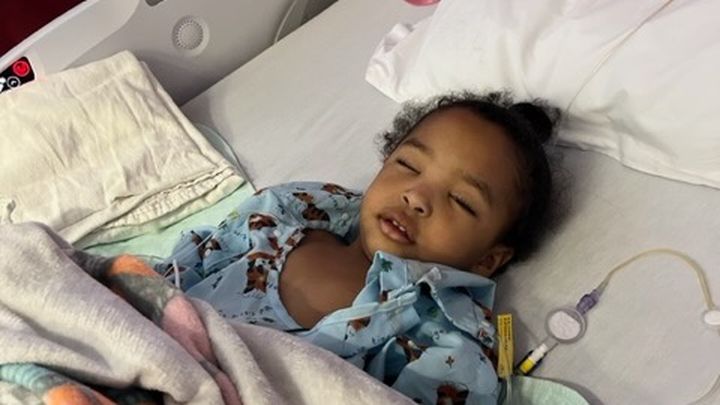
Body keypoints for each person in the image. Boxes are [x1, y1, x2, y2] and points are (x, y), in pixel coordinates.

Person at [159, 91, 560, 404]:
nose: (416, 196)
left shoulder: (446, 342)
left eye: (461, 200)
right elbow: (181, 268)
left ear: (488, 259)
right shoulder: (292, 212)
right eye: (409, 165)